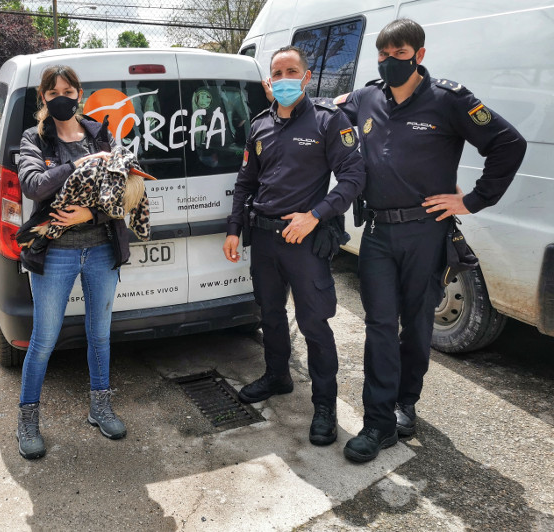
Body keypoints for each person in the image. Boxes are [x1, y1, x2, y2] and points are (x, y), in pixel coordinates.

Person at [334, 19, 527, 462]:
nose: (388, 63)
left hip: (427, 231)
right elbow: (325, 114)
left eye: (398, 55)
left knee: (417, 323)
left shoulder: (448, 99)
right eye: (382, 56)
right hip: (378, 232)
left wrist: (473, 201)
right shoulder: (365, 97)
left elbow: (508, 144)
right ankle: (378, 422)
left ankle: (406, 403)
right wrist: (285, 96)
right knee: (379, 325)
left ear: (419, 55)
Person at [223, 46, 365, 446]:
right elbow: (246, 182)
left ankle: (324, 406)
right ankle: (277, 376)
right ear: (269, 82)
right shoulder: (259, 126)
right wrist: (234, 228)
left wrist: (316, 215)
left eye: (292, 71)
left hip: (304, 240)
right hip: (264, 239)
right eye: (277, 73)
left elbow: (353, 176)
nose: (284, 78)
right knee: (269, 314)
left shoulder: (327, 120)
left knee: (314, 324)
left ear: (305, 77)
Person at [15, 65, 132, 460]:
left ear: (80, 93)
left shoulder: (101, 133)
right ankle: (28, 420)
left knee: (100, 334)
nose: (61, 96)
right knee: (44, 339)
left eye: (68, 89)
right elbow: (33, 185)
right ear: (43, 98)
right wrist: (78, 165)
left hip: (101, 248)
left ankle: (100, 408)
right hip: (57, 254)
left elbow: (122, 192)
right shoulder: (34, 139)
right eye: (53, 92)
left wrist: (91, 216)